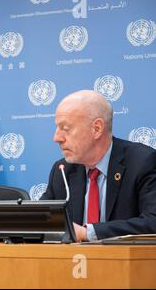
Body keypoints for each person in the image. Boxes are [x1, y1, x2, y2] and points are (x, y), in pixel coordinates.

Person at [41, 90, 156, 242]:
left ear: (97, 129)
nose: (57, 138)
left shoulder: (142, 162)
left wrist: (87, 233)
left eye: (66, 129)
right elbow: (40, 219)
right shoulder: (63, 170)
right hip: (72, 263)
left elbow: (152, 221)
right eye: (57, 128)